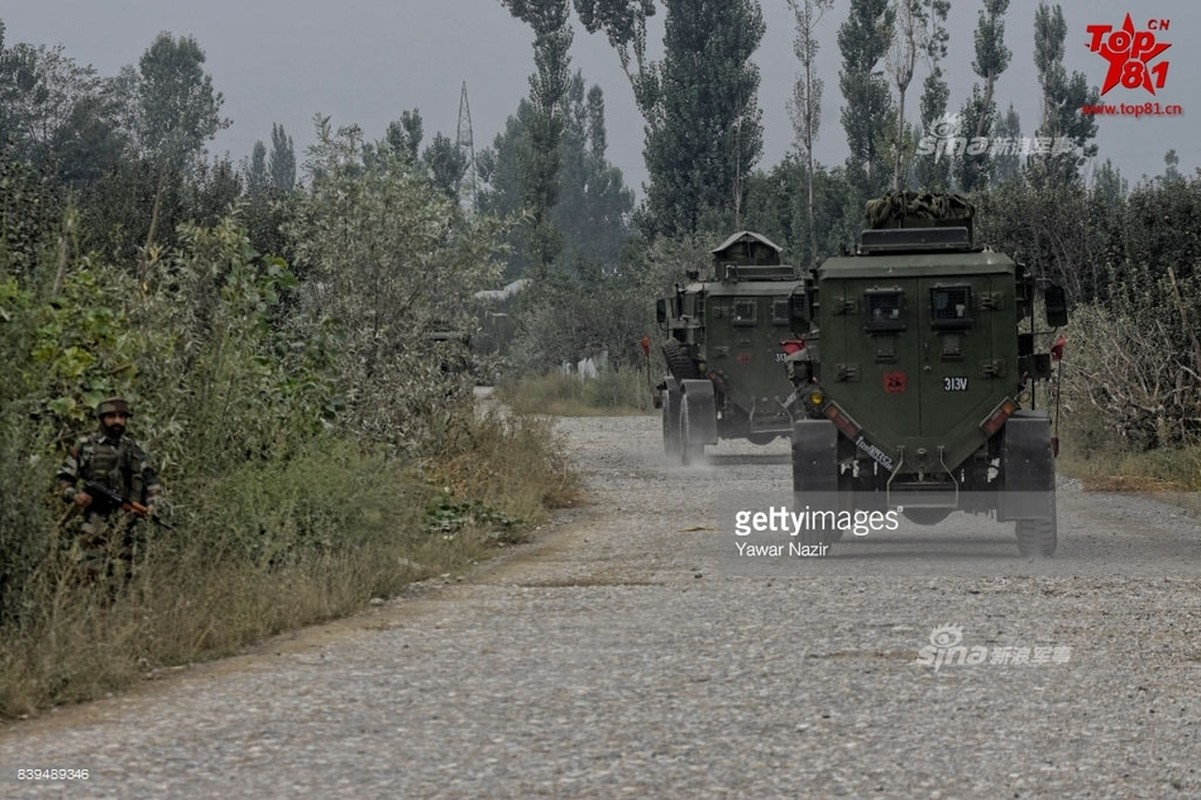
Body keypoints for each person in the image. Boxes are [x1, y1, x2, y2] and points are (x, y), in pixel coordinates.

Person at [56, 397, 162, 586]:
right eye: (112, 416)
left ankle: (114, 612)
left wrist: (152, 504)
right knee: (87, 576)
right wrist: (75, 496)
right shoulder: (85, 445)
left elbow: (151, 481)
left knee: (122, 580)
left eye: (122, 416)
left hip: (124, 523)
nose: (117, 421)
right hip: (92, 521)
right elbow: (65, 479)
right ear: (102, 418)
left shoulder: (133, 449)